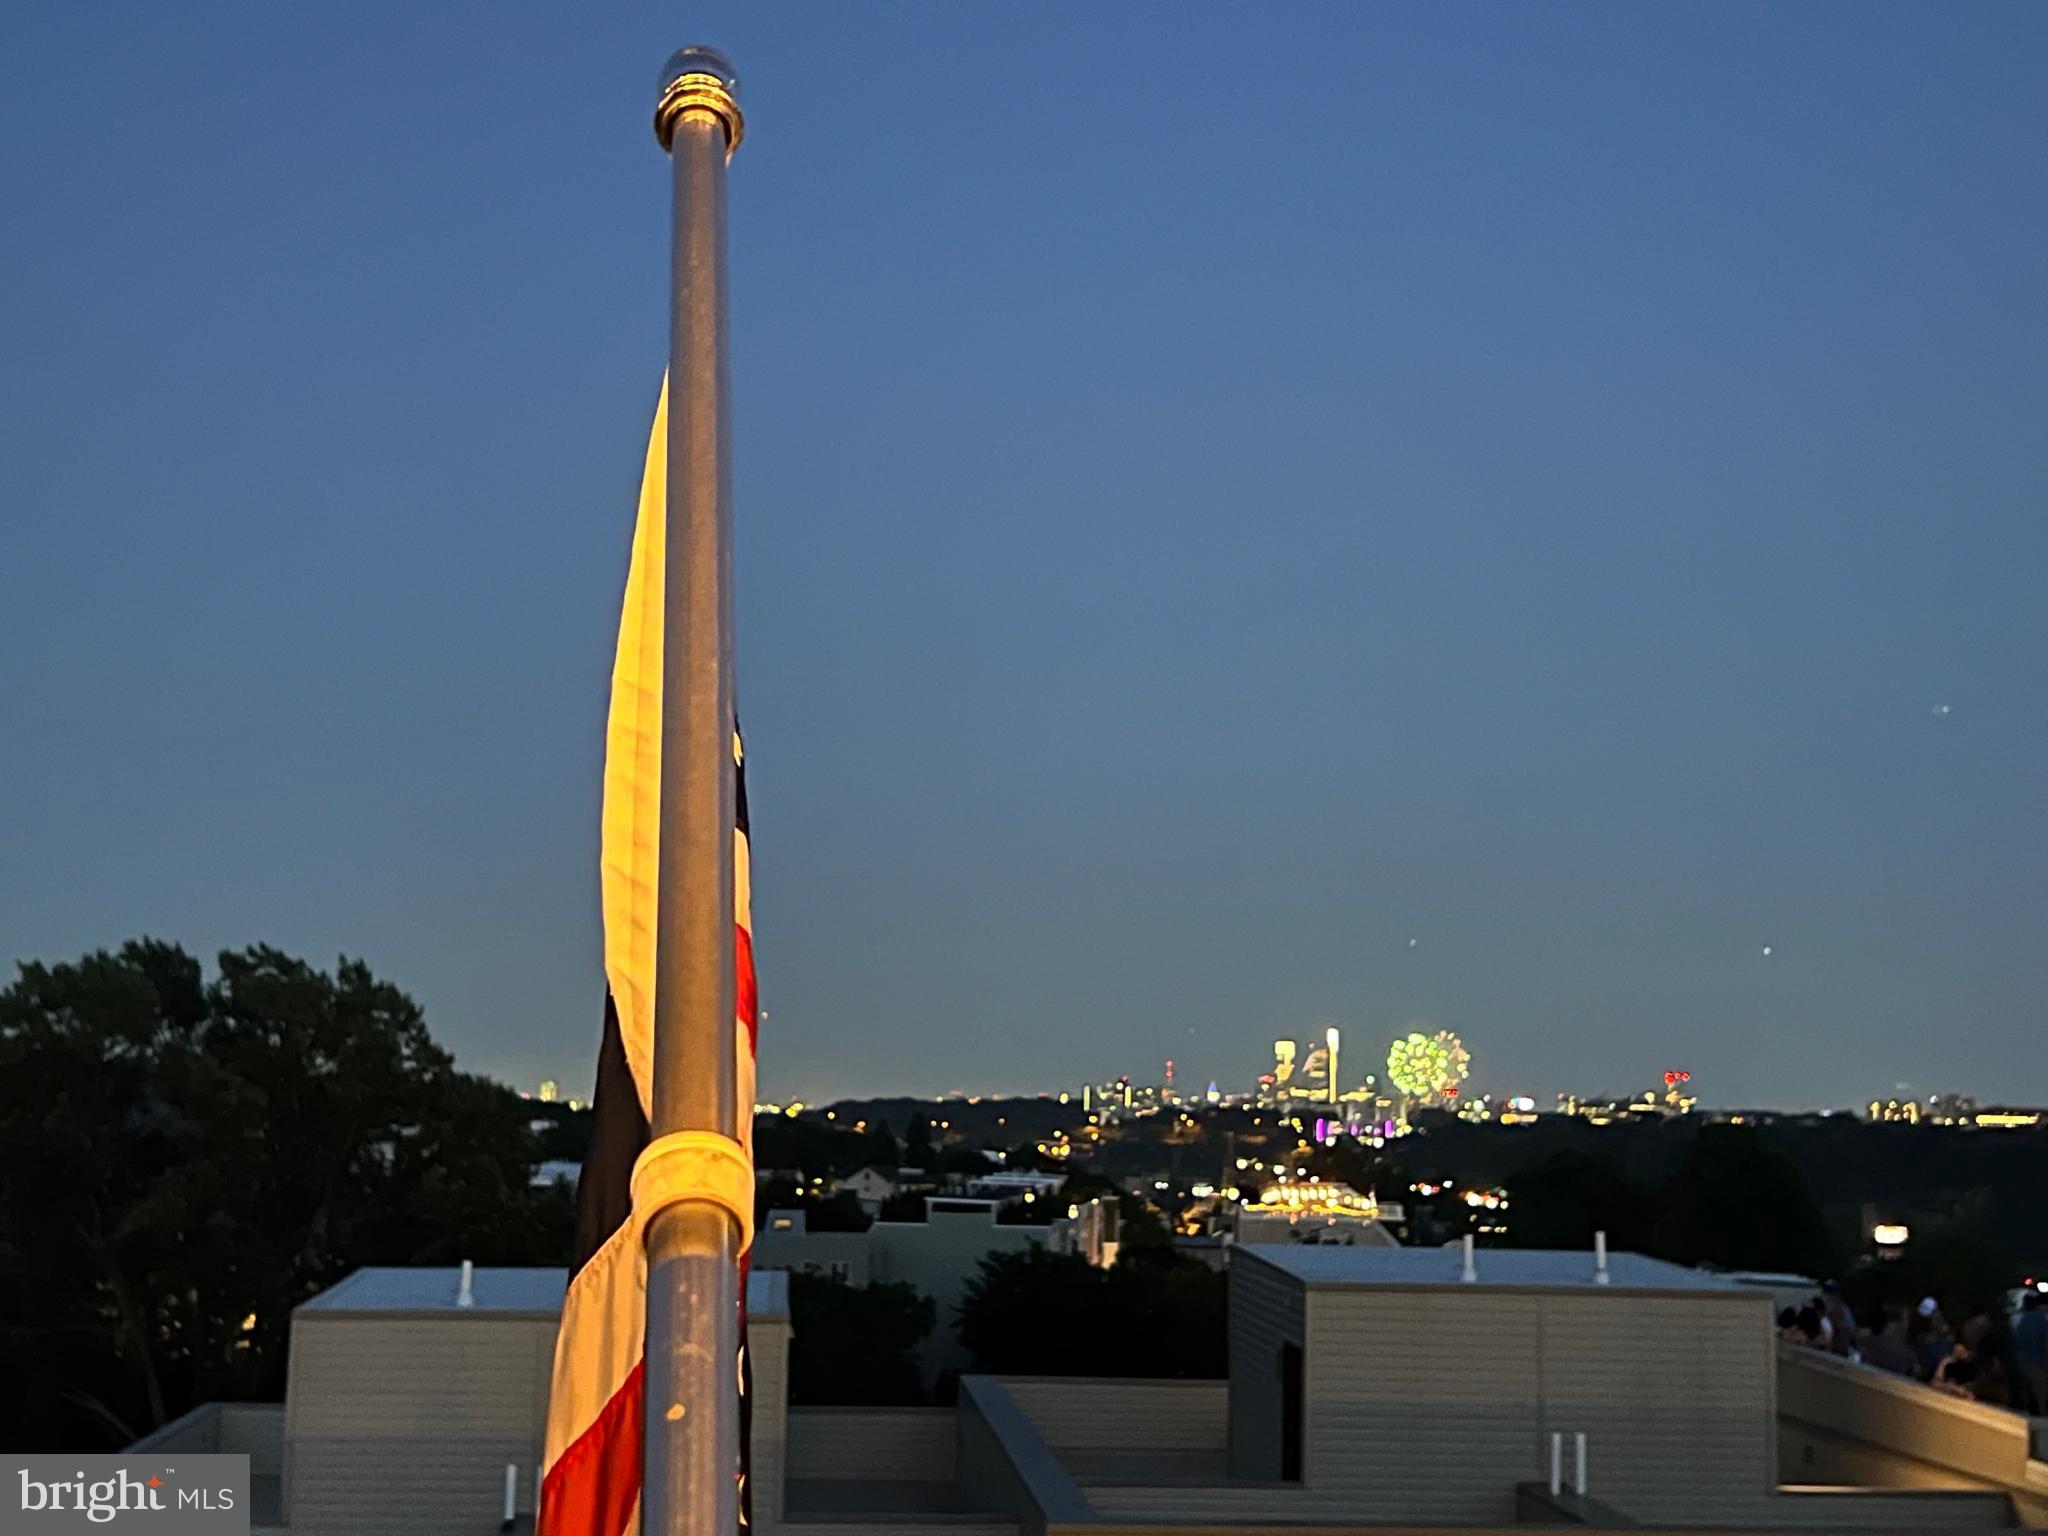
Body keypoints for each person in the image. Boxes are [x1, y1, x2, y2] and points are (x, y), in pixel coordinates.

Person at [2013, 1293, 2048, 1415]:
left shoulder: (2020, 1320)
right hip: (2038, 1361)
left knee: (2030, 1392)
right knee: (2041, 1392)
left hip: (2022, 1362)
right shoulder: (2041, 1319)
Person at [1861, 1308, 1917, 1377]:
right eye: (1905, 1321)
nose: (1907, 1327)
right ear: (1892, 1325)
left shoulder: (1867, 1341)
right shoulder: (1907, 1356)